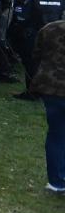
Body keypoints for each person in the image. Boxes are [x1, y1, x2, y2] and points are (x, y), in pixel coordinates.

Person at [28, 18, 65, 194]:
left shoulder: (49, 28)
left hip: (51, 88)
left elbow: (36, 53)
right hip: (55, 87)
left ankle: (56, 181)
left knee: (56, 134)